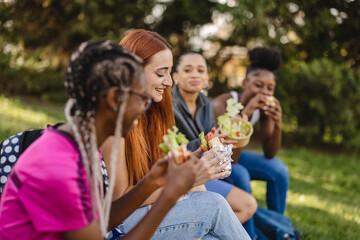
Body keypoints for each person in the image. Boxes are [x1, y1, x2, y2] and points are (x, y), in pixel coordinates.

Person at [0, 40, 199, 240]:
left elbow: (100, 222)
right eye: (142, 99)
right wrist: (169, 197)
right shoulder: (58, 167)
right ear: (114, 98)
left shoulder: (77, 145)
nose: (144, 108)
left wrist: (151, 182)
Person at [103, 29, 250, 240]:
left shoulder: (152, 114)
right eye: (160, 73)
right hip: (117, 226)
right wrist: (186, 183)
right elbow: (119, 204)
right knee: (215, 205)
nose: (169, 82)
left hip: (144, 213)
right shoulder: (115, 122)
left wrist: (198, 155)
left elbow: (155, 175)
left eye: (169, 73)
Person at [171, 51, 258, 239]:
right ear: (175, 76)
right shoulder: (168, 105)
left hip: (208, 162)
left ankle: (249, 233)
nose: (195, 75)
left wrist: (222, 137)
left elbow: (212, 140)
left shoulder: (206, 103)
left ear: (207, 78)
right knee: (243, 186)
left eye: (200, 70)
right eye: (188, 70)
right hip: (186, 169)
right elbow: (174, 147)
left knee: (241, 174)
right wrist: (211, 139)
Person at [212, 47, 289, 216]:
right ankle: (249, 233)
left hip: (233, 157)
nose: (264, 92)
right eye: (258, 85)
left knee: (279, 169)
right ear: (244, 83)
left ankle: (278, 225)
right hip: (217, 160)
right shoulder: (221, 104)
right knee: (241, 173)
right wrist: (246, 113)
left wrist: (278, 123)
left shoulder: (263, 109)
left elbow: (270, 153)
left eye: (270, 88)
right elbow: (232, 159)